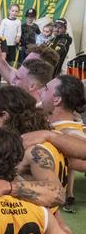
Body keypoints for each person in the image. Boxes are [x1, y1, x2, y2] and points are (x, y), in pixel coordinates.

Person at [39, 74, 86, 213]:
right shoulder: (59, 125)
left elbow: (81, 163)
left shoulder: (68, 133)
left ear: (57, 100)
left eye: (46, 89)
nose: (41, 91)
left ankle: (70, 195)